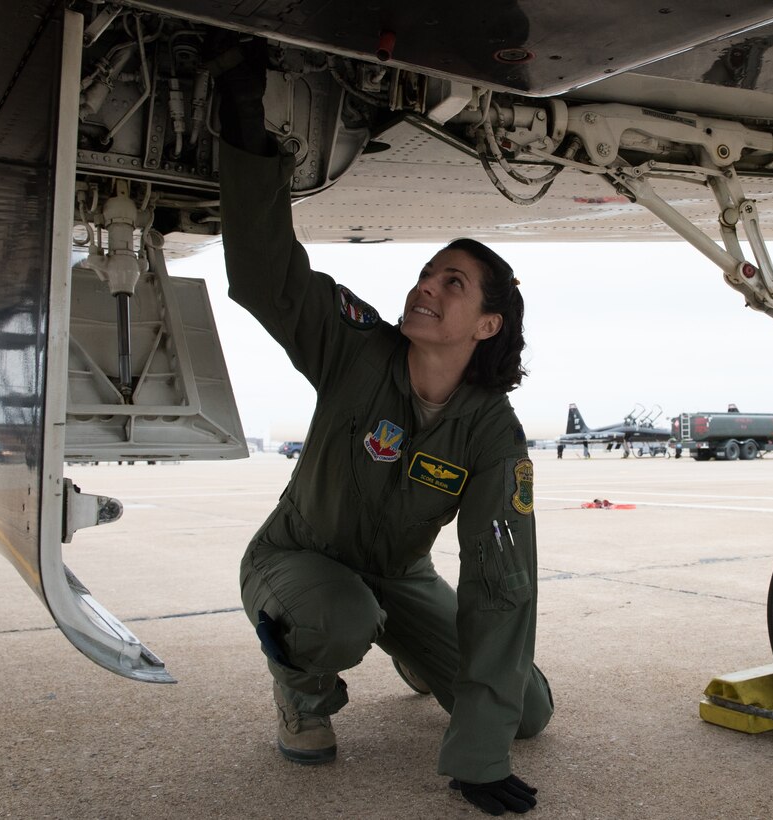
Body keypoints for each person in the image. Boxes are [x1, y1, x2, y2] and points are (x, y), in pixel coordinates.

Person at [212, 38, 553, 816]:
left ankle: (414, 650)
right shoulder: (357, 348)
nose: (426, 286)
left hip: (400, 579)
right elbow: (267, 276)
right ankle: (302, 692)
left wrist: (479, 753)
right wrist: (245, 131)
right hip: (298, 558)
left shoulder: (492, 435)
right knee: (338, 621)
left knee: (526, 713)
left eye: (452, 284)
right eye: (429, 272)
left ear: (487, 325)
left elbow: (503, 583)